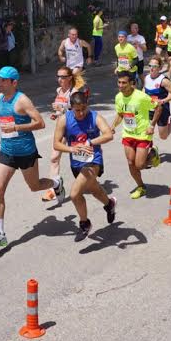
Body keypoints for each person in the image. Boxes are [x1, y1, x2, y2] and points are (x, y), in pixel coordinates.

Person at [0, 67, 65, 248]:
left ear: (14, 83)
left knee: (34, 186)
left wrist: (15, 128)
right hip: (7, 151)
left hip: (25, 151)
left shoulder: (22, 100)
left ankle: (56, 184)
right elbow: (4, 115)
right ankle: (0, 233)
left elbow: (40, 123)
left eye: (3, 80)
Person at [53, 92, 117, 242]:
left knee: (75, 194)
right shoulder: (64, 120)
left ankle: (84, 223)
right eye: (77, 110)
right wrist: (72, 149)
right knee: (94, 189)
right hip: (76, 162)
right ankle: (109, 204)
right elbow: (56, 144)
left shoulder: (95, 117)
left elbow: (108, 135)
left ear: (87, 105)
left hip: (93, 161)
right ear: (71, 108)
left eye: (84, 109)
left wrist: (89, 143)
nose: (81, 113)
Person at [42, 66, 88, 205]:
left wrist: (62, 109)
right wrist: (56, 114)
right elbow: (61, 110)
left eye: (62, 77)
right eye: (58, 76)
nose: (59, 79)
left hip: (74, 129)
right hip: (62, 128)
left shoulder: (74, 92)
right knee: (54, 158)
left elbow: (80, 111)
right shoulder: (59, 91)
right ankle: (53, 188)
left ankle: (88, 179)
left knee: (81, 160)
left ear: (69, 78)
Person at [112, 71, 161, 199]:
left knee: (139, 165)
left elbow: (158, 107)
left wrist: (152, 125)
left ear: (132, 84)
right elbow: (120, 114)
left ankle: (152, 154)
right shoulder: (118, 97)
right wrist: (112, 126)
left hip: (142, 134)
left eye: (124, 83)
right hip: (128, 134)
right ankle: (141, 187)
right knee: (130, 162)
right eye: (119, 82)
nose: (121, 85)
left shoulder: (141, 97)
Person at [144, 56, 171, 140]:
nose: (152, 68)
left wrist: (163, 101)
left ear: (160, 68)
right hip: (149, 109)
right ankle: (149, 149)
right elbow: (144, 90)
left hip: (162, 109)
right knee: (146, 131)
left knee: (163, 136)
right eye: (150, 66)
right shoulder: (147, 78)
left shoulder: (163, 80)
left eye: (154, 66)